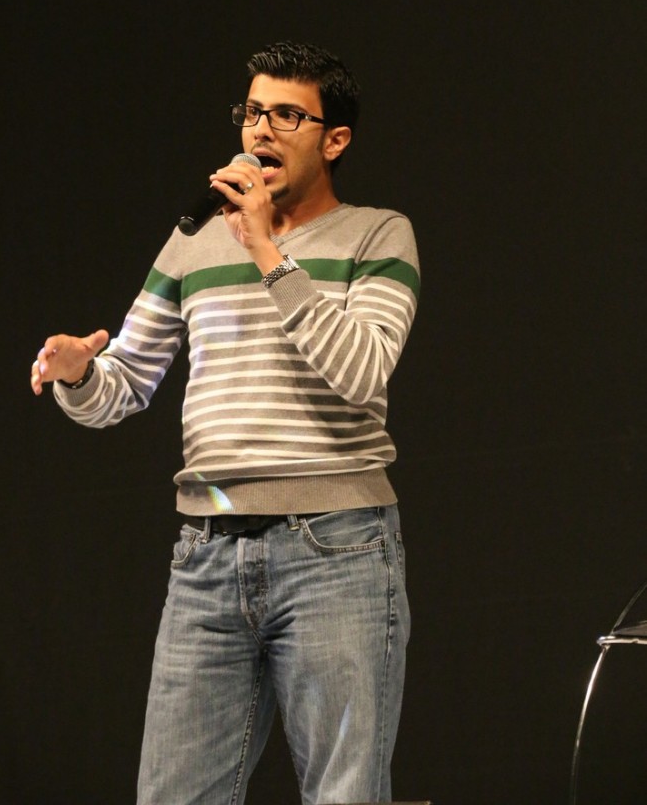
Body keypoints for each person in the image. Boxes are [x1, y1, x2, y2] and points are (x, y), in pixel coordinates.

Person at [30, 41, 420, 805]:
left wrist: (269, 252)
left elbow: (361, 371)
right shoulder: (195, 240)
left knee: (344, 794)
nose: (261, 130)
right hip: (206, 552)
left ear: (334, 139)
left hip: (336, 550)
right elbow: (124, 386)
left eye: (287, 116)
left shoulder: (378, 235)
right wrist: (78, 372)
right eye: (253, 113)